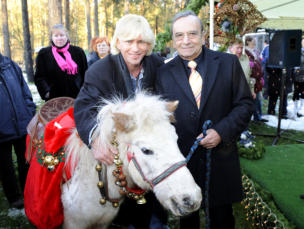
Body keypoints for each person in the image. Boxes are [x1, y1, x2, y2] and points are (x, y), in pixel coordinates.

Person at [156, 11, 254, 229]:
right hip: (183, 162)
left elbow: (245, 104)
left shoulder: (228, 63)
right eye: (179, 35)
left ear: (203, 35)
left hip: (220, 160)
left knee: (222, 218)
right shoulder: (163, 72)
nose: (186, 40)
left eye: (192, 33)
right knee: (187, 219)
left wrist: (221, 132)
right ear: (173, 39)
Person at [73, 14, 167, 229]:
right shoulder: (99, 70)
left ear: (149, 44)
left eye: (141, 42)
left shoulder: (158, 65)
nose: (135, 48)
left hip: (148, 147)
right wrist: (95, 137)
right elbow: (84, 106)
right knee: (123, 200)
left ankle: (155, 220)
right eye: (129, 41)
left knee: (150, 192)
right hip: (118, 149)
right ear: (117, 42)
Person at [0, 26, 36, 209]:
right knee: (5, 167)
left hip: (21, 124)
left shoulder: (9, 64)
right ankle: (14, 197)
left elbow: (25, 91)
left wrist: (29, 110)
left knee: (26, 163)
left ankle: (28, 191)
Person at [34, 24, 87, 101]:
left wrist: (83, 92)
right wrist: (46, 92)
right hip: (54, 99)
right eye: (56, 36)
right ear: (51, 38)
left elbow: (85, 74)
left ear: (67, 37)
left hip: (76, 98)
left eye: (62, 35)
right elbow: (39, 77)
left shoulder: (78, 52)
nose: (59, 38)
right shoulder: (44, 54)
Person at [245, 36, 267, 122]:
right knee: (254, 99)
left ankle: (258, 116)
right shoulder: (246, 52)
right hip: (251, 79)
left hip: (257, 79)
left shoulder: (256, 51)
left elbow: (259, 63)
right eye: (253, 41)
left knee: (258, 99)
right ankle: (254, 117)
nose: (254, 43)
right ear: (247, 42)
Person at [292, 37, 304, 118]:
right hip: (298, 75)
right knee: (296, 92)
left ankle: (301, 109)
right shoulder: (298, 52)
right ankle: (295, 110)